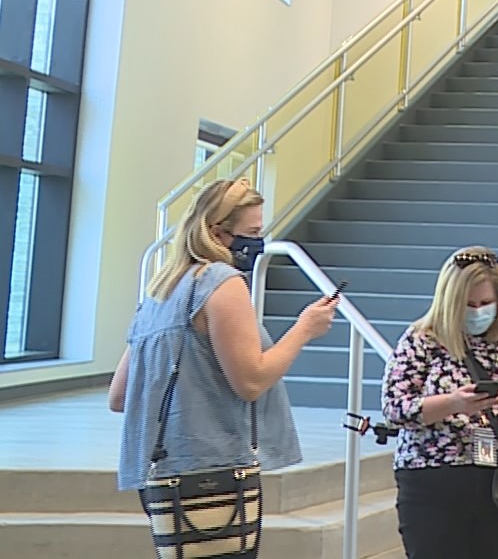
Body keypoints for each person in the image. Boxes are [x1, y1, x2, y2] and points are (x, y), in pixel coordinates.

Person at [111, 178, 336, 548]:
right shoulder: (221, 282)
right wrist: (304, 329)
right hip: (214, 471)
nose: (258, 242)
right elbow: (251, 380)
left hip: (161, 472)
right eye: (252, 232)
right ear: (218, 233)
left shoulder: (160, 291)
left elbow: (120, 396)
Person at [384, 246, 498, 559]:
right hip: (433, 479)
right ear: (451, 302)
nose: (478, 311)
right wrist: (453, 403)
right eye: (469, 305)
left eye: (485, 303)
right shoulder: (420, 340)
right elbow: (395, 409)